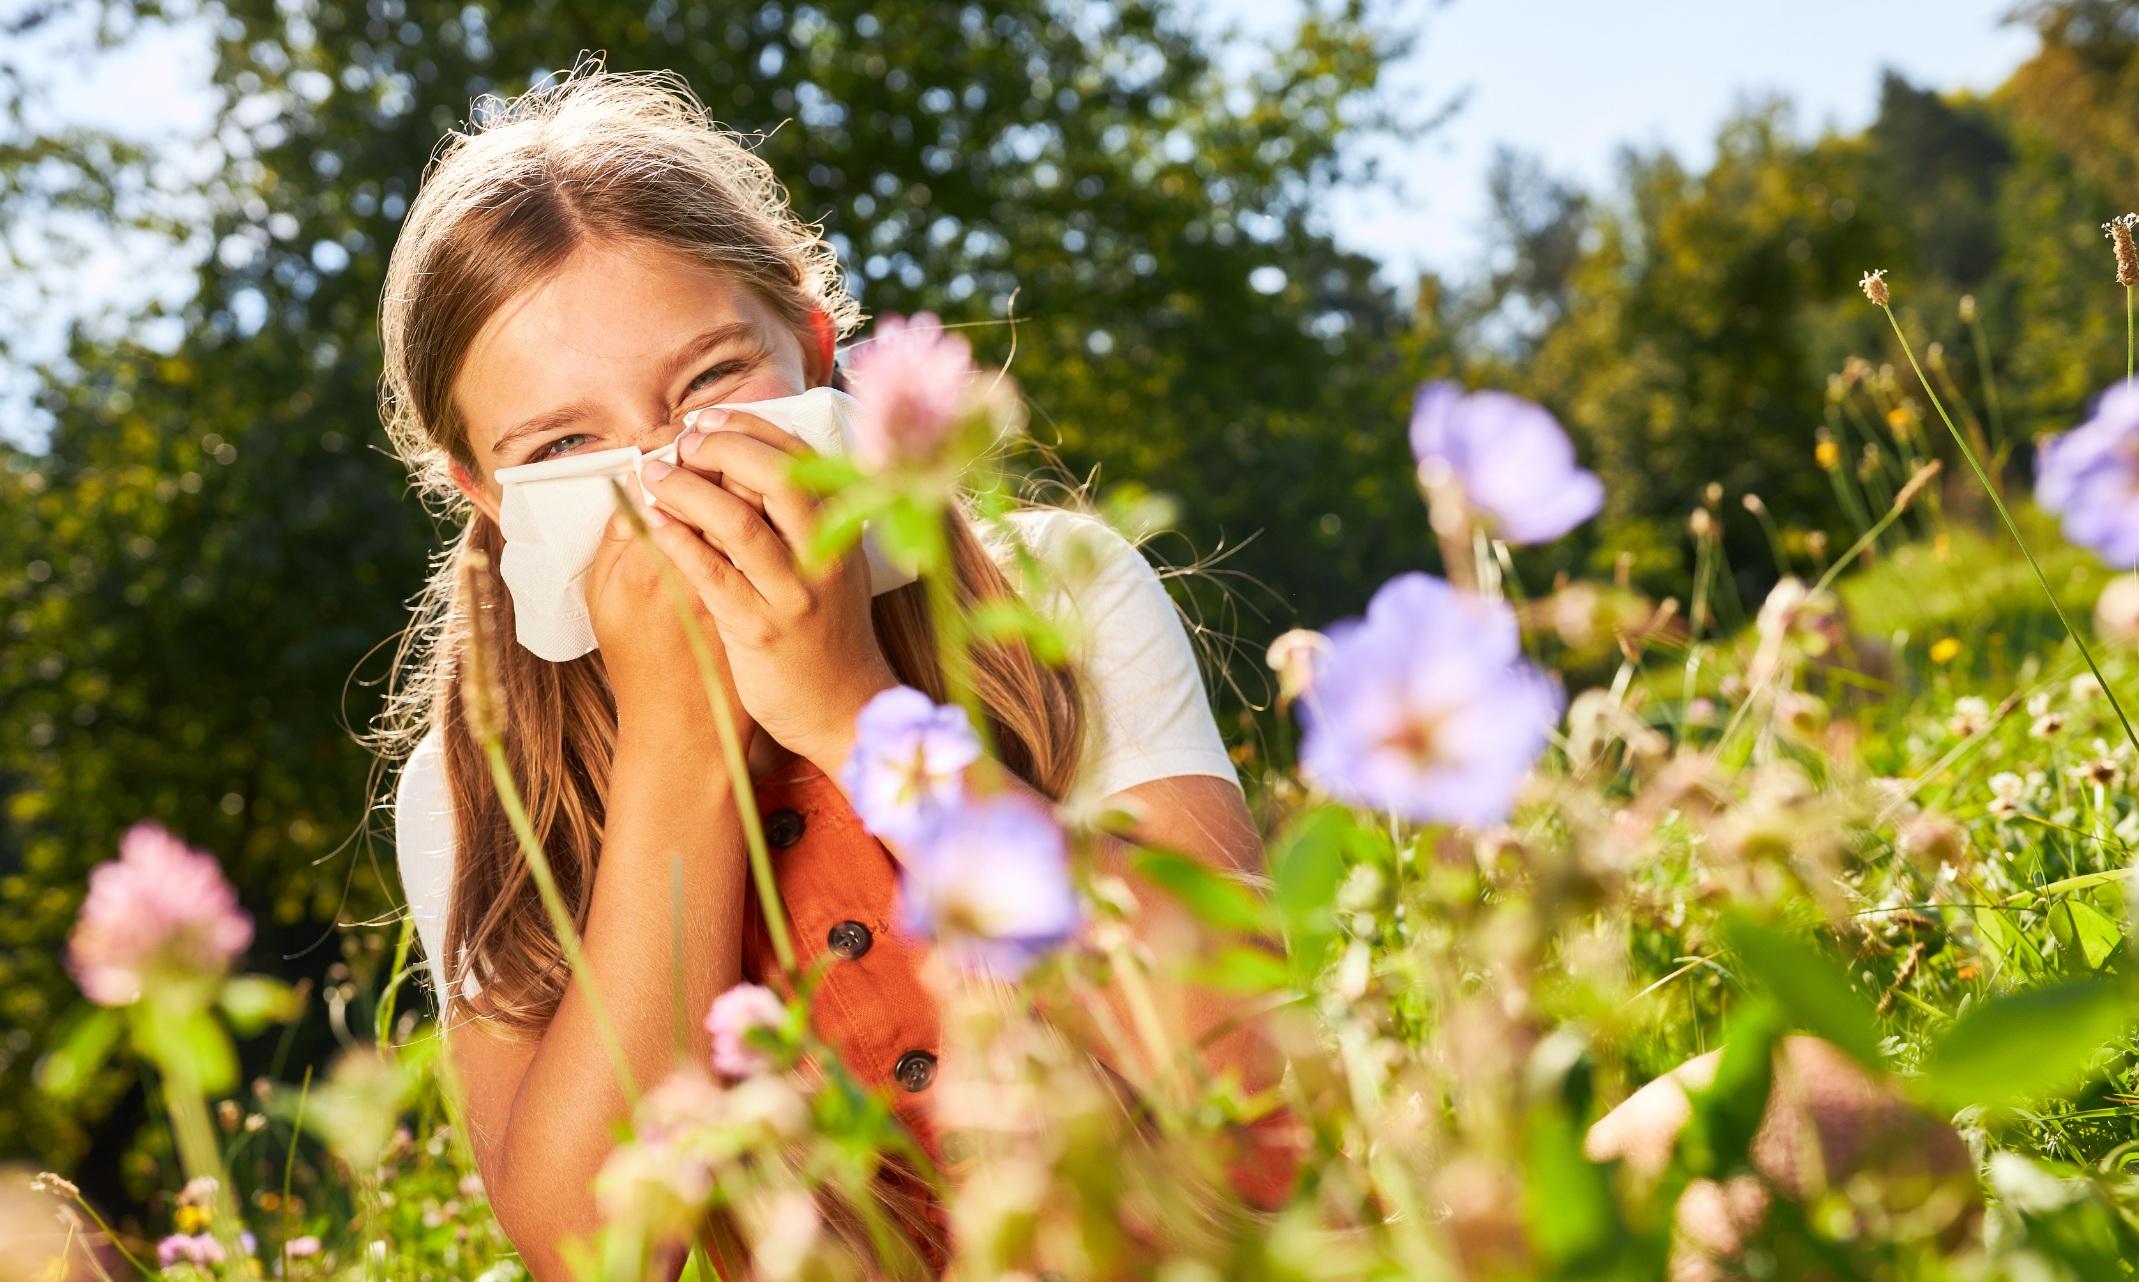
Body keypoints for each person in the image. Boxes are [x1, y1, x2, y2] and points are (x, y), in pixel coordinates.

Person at [373, 57, 1287, 1278]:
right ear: (488, 495)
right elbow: (592, 1249)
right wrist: (678, 753)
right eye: (566, 445)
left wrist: (853, 710)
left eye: (711, 380)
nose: (662, 472)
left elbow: (1245, 1061)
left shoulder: (1055, 593)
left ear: (812, 347)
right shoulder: (474, 787)